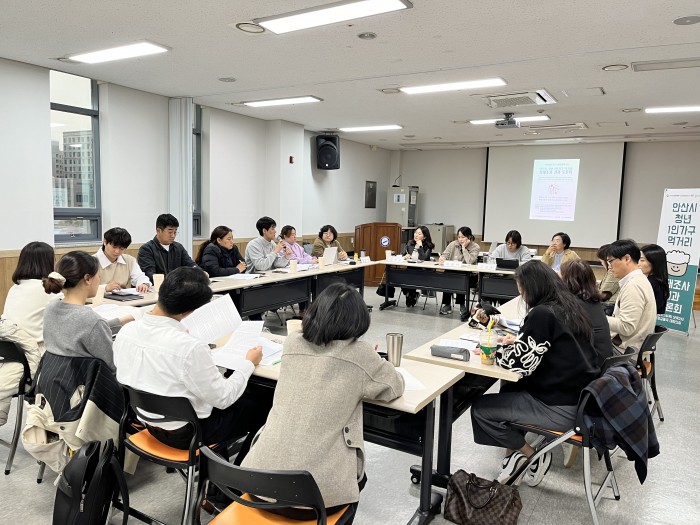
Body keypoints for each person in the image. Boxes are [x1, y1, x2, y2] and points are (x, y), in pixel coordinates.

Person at [242, 283, 404, 521]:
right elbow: (394, 386)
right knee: (358, 480)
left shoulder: (293, 342)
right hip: (314, 502)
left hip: (257, 484)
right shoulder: (359, 353)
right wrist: (376, 361)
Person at [114, 267, 266, 461]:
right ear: (190, 312)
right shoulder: (189, 347)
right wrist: (248, 364)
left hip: (147, 423)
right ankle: (234, 479)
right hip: (190, 434)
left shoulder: (126, 332)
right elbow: (224, 398)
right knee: (264, 405)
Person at [470, 261, 600, 487]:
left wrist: (492, 350)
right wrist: (518, 344)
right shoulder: (570, 306)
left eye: (521, 288)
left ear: (532, 287)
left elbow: (520, 365)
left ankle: (530, 455)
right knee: (510, 388)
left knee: (481, 409)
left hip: (559, 407)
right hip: (579, 399)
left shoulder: (542, 313)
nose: (520, 293)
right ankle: (514, 457)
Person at [42, 251, 134, 372]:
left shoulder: (51, 307)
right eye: (98, 275)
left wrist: (123, 320)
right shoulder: (90, 319)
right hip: (85, 386)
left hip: (54, 380)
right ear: (87, 279)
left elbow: (84, 329)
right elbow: (112, 365)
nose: (99, 279)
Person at [2, 241, 60, 350]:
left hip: (11, 351)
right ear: (47, 262)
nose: (56, 263)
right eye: (54, 259)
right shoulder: (46, 288)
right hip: (37, 351)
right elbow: (71, 311)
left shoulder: (15, 287)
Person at [605, 239, 656, 351]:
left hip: (624, 352)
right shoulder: (638, 279)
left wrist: (598, 317)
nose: (609, 266)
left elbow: (626, 327)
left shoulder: (633, 286)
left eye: (611, 261)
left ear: (627, 259)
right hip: (630, 347)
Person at [560, 259, 614, 364]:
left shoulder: (574, 305)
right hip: (602, 360)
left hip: (592, 366)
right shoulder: (591, 300)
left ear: (568, 281)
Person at [138, 214, 202, 281]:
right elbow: (149, 274)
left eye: (175, 232)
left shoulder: (178, 248)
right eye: (170, 232)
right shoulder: (146, 249)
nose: (173, 235)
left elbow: (190, 264)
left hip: (177, 287)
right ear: (158, 231)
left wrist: (200, 272)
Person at [438, 226, 480, 317]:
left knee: (461, 278)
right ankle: (447, 304)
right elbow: (445, 254)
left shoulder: (475, 247)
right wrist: (442, 258)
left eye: (463, 237)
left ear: (469, 237)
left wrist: (464, 248)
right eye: (459, 237)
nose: (460, 239)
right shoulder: (453, 244)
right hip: (453, 271)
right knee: (447, 276)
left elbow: (469, 261)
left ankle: (462, 305)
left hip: (469, 275)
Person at [94, 227, 151, 293]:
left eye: (122, 249)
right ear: (105, 242)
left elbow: (139, 277)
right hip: (99, 301)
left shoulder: (129, 260)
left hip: (123, 300)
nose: (117, 251)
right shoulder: (92, 261)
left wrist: (144, 284)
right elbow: (85, 288)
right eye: (114, 247)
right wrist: (105, 288)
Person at [281, 225, 317, 317]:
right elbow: (294, 259)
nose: (295, 236)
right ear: (285, 236)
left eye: (295, 234)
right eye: (292, 235)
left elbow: (304, 255)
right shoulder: (283, 246)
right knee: (303, 284)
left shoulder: (296, 245)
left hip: (301, 272)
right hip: (289, 276)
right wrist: (309, 261)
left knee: (311, 282)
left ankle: (308, 308)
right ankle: (302, 310)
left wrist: (313, 258)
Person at [402, 226, 434, 307]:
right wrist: (406, 255)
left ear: (424, 237)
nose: (416, 235)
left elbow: (424, 258)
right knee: (400, 277)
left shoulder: (428, 246)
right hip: (410, 269)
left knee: (409, 277)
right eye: (415, 233)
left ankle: (411, 294)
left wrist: (420, 246)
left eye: (419, 234)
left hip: (422, 271)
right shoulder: (410, 242)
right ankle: (412, 294)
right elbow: (403, 254)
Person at [639, 244, 670, 315]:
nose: (638, 263)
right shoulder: (659, 281)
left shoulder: (650, 283)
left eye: (642, 260)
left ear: (654, 263)